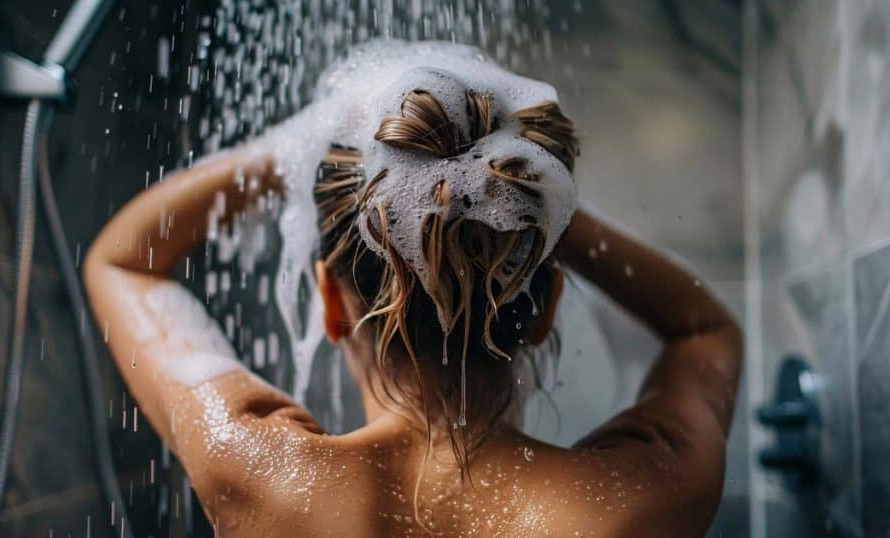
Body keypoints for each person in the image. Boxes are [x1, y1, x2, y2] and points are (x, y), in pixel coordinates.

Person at [84, 53, 742, 537]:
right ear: (544, 308)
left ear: (333, 305)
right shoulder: (635, 500)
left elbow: (124, 262)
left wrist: (295, 147)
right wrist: (542, 212)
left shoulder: (264, 476)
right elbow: (704, 331)